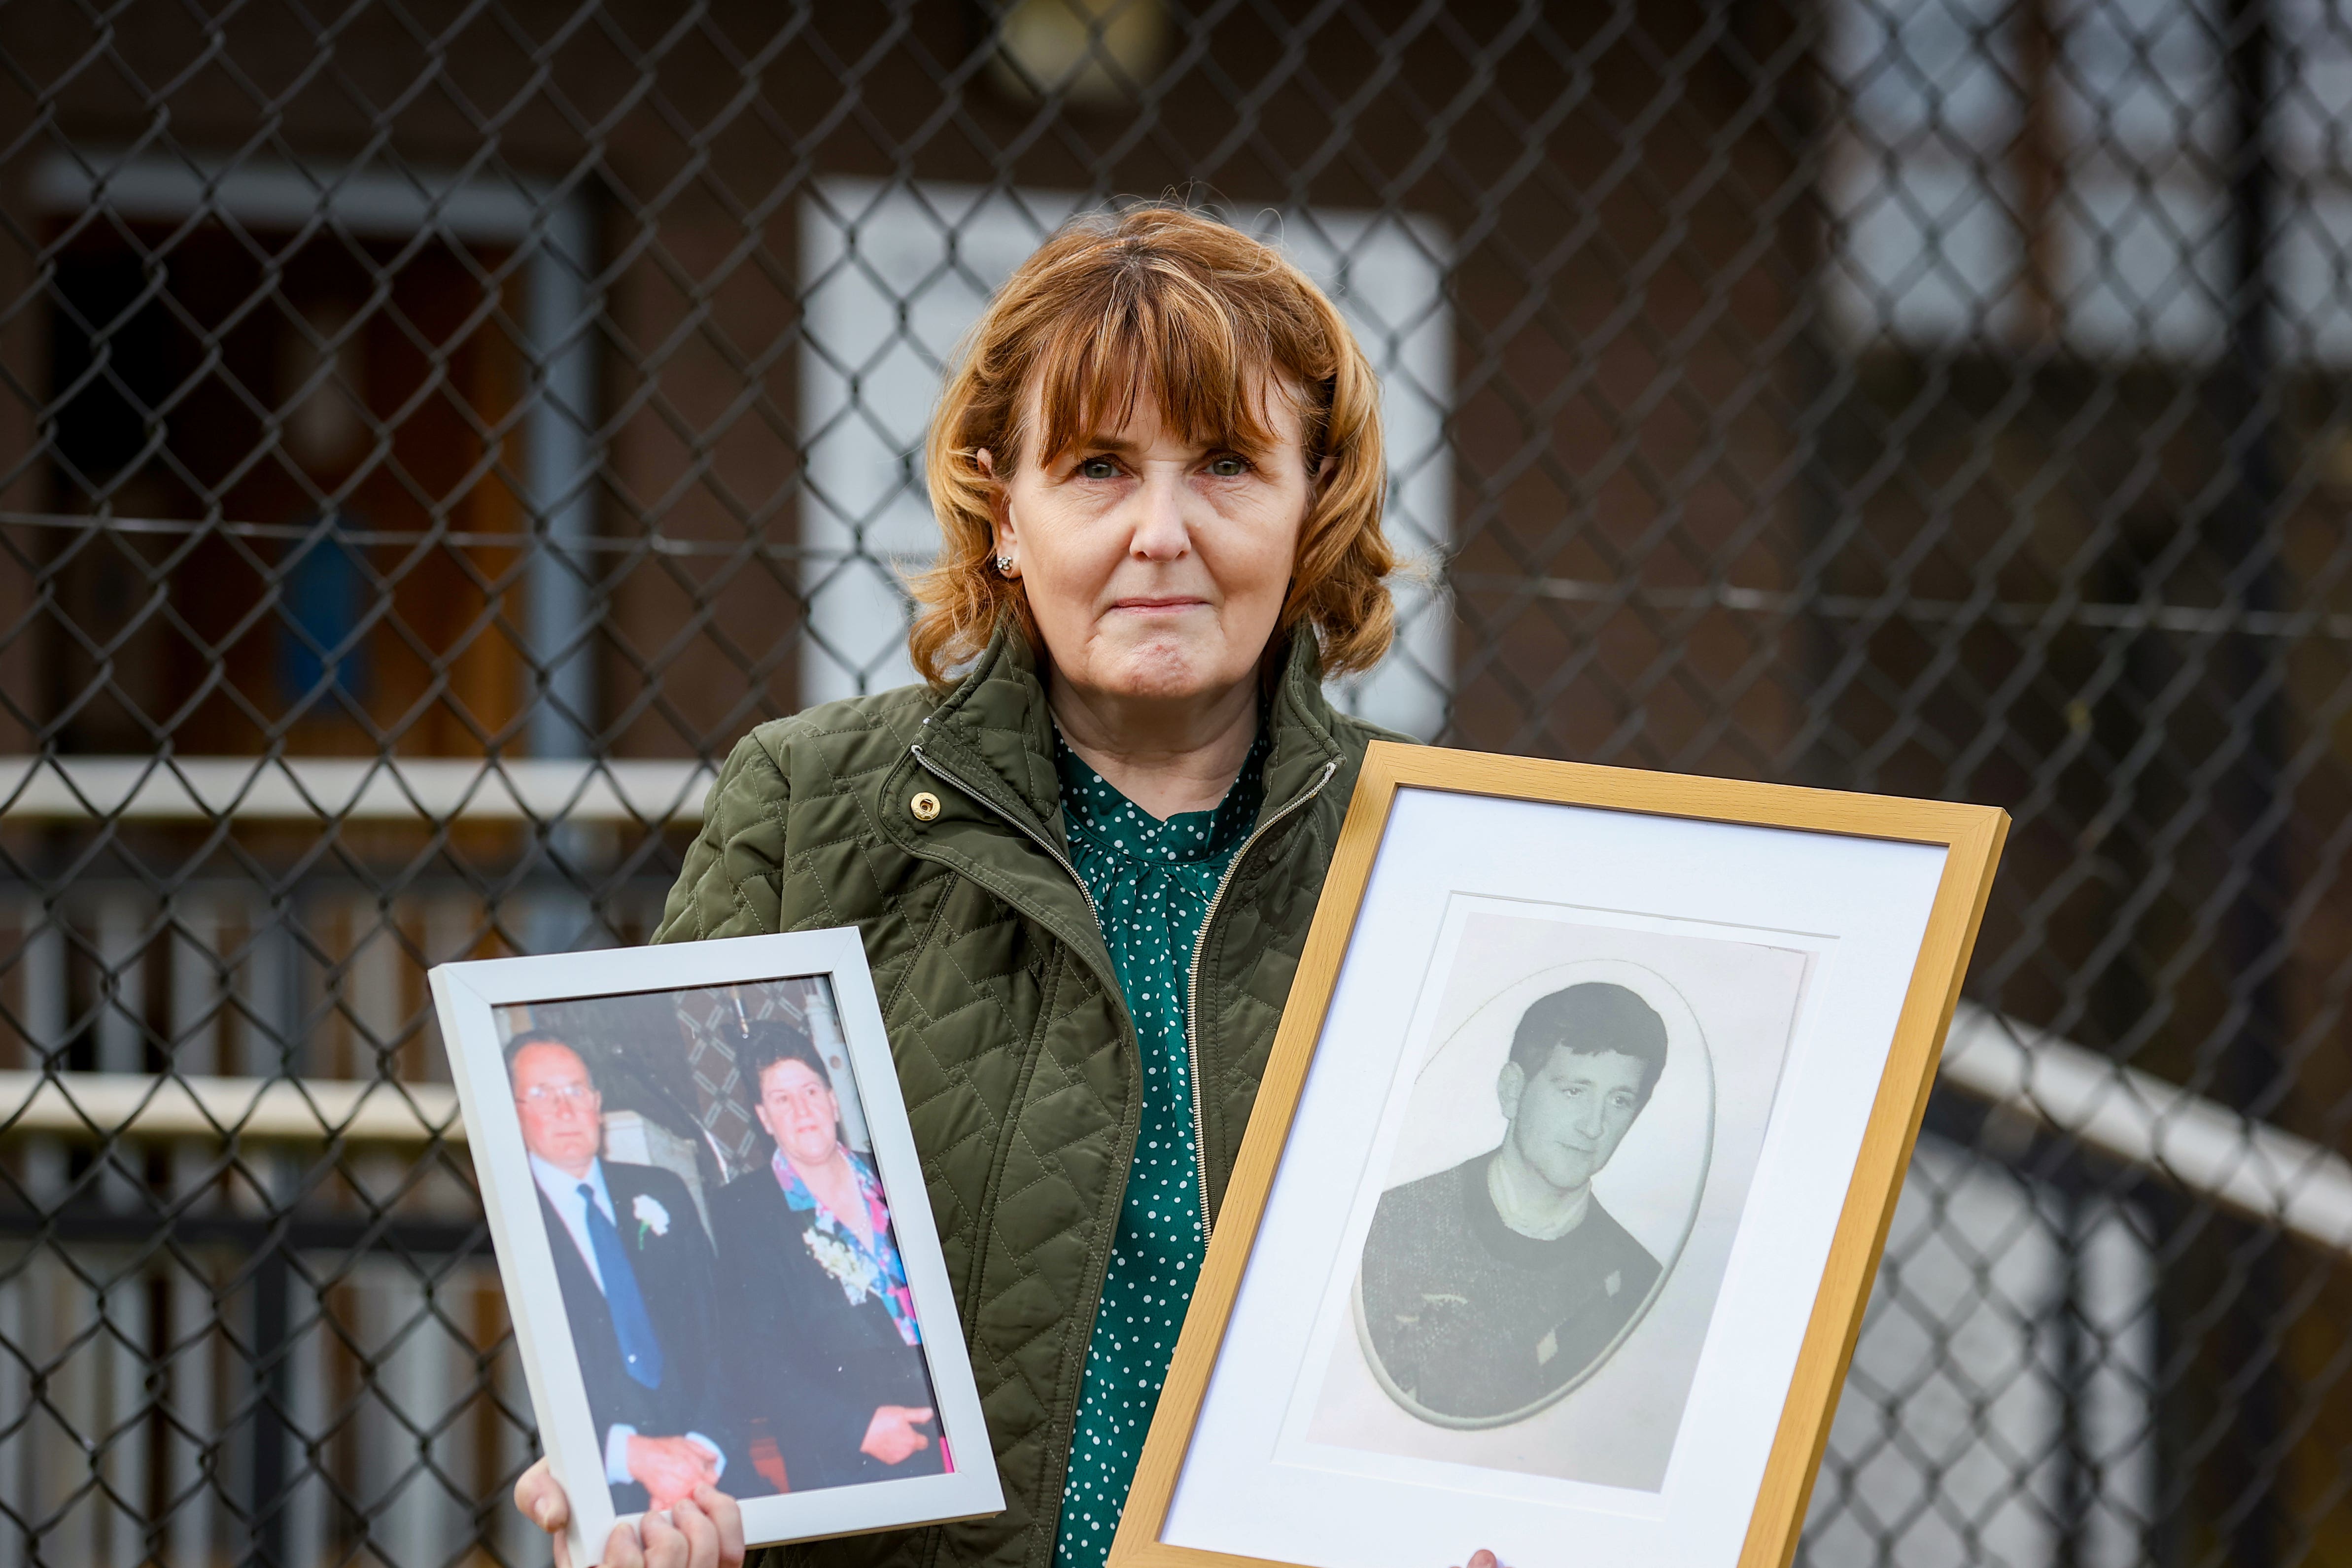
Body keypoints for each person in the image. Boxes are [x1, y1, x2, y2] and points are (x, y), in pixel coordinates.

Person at [514, 203, 1508, 1568]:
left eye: (1224, 462)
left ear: (1313, 498)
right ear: (1000, 505)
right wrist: (637, 1461)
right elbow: (676, 1241)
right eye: (1098, 467)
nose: (1160, 530)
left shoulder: (1450, 854)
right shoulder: (809, 809)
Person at [1357, 983, 1671, 1424]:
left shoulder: (1641, 1286)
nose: (1595, 1126)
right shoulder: (1390, 1224)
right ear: (1512, 1090)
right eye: (1574, 1091)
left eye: (1619, 1100)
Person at [508, 1033, 743, 1513]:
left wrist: (704, 1448)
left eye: (576, 1091)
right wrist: (628, 1456)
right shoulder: (506, 1226)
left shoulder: (664, 1192)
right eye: (542, 1094)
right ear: (511, 1112)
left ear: (597, 1105)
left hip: (715, 1469)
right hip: (596, 1495)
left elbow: (724, 1329)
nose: (564, 1108)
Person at [711, 1021, 942, 1490]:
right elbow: (756, 1359)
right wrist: (856, 1429)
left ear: (834, 1099)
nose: (803, 1110)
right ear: (764, 1116)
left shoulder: (894, 1175)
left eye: (811, 1090)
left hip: (954, 1434)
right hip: (848, 1464)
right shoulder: (742, 1210)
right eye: (782, 1099)